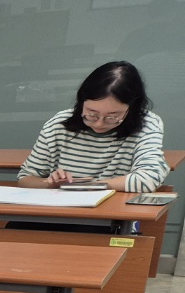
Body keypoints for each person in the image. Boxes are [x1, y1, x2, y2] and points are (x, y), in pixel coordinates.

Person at [17, 60, 168, 193]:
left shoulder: (147, 124)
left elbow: (149, 178)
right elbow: (25, 179)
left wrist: (90, 186)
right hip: (59, 210)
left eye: (112, 117)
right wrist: (50, 184)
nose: (99, 123)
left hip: (112, 212)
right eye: (91, 114)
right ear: (81, 102)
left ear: (132, 108)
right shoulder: (59, 124)